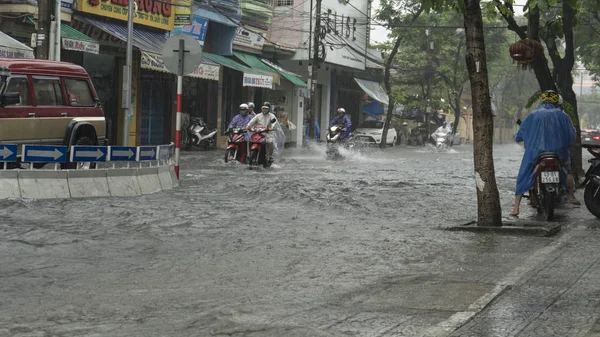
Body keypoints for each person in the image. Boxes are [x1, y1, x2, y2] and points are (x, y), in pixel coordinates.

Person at [510, 90, 576, 216]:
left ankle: (516, 208)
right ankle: (571, 195)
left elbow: (520, 134)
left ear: (542, 100)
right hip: (558, 153)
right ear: (557, 101)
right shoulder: (562, 116)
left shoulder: (533, 115)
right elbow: (571, 136)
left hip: (536, 153)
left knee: (524, 175)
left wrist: (520, 139)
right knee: (566, 171)